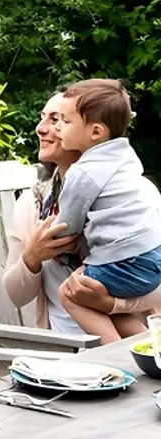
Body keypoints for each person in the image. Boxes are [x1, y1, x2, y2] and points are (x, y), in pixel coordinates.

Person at [4, 88, 160, 337]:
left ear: (94, 132)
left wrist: (112, 304)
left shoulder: (137, 196)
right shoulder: (33, 204)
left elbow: (153, 273)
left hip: (127, 339)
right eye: (43, 118)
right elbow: (15, 297)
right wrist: (31, 257)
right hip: (67, 343)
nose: (41, 129)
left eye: (58, 119)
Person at [53, 79, 161, 342]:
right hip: (152, 258)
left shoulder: (83, 172)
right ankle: (152, 349)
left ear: (96, 132)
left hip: (125, 261)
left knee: (71, 293)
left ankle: (115, 356)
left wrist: (52, 237)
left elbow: (67, 227)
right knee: (103, 303)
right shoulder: (126, 157)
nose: (57, 126)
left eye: (65, 121)